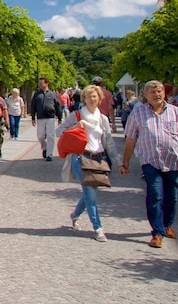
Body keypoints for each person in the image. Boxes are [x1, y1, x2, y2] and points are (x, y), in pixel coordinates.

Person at [120, 80, 178, 248]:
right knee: (155, 195)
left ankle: (167, 224)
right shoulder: (138, 113)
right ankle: (157, 232)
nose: (157, 95)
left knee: (172, 196)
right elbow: (131, 139)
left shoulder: (177, 112)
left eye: (160, 91)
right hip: (150, 162)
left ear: (165, 94)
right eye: (153, 92)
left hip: (173, 162)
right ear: (146, 95)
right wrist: (125, 162)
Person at [56, 85, 119, 242]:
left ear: (99, 99)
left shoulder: (102, 119)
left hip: (98, 159)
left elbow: (109, 143)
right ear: (84, 99)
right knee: (90, 194)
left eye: (95, 96)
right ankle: (98, 228)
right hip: (80, 158)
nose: (92, 99)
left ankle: (75, 214)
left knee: (89, 192)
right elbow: (58, 131)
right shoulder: (76, 115)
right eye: (89, 96)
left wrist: (118, 163)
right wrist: (75, 126)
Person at [30, 77, 61, 161]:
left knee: (50, 136)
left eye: (42, 83)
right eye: (39, 83)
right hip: (40, 117)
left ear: (47, 83)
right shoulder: (37, 94)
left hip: (50, 117)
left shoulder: (52, 94)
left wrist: (59, 117)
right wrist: (33, 117)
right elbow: (33, 106)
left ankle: (49, 154)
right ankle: (45, 147)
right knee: (40, 136)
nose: (40, 85)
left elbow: (57, 105)